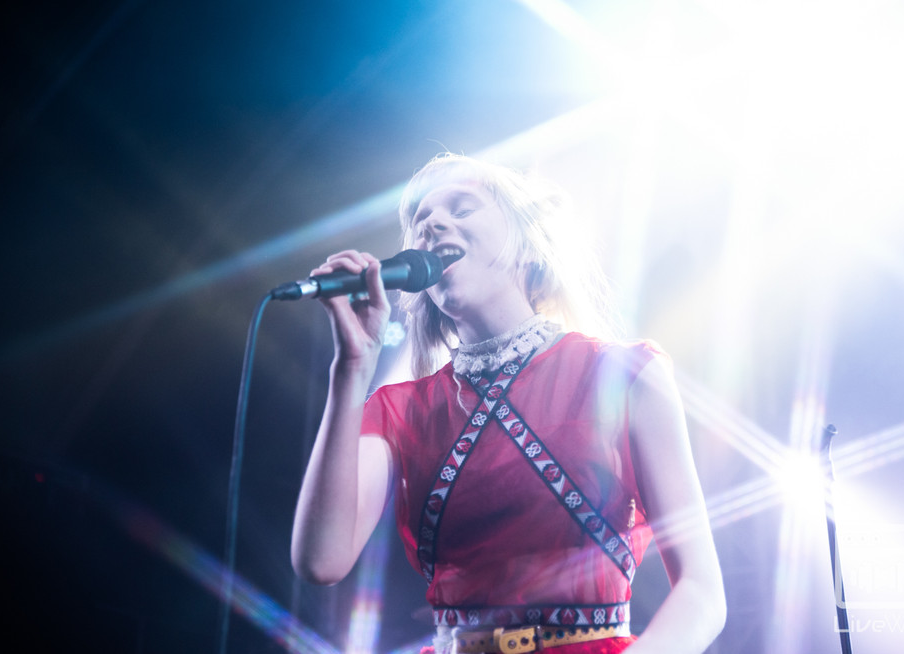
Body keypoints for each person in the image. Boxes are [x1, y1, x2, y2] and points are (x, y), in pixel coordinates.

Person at [291, 154, 726, 654]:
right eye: (420, 223)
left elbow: (702, 593)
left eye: (462, 208)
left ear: (527, 246)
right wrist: (351, 367)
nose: (432, 224)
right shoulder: (400, 411)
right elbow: (321, 560)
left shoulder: (625, 375)